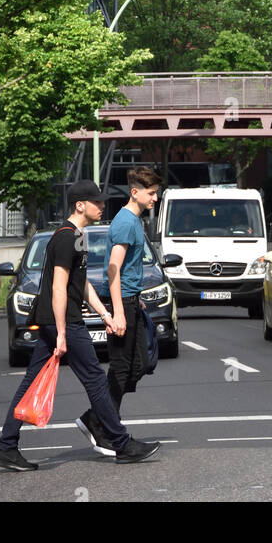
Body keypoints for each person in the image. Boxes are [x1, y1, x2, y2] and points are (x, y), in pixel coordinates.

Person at [0, 181, 160, 470]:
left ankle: (6, 447)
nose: (102, 206)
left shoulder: (77, 236)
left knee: (31, 383)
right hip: (63, 320)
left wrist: (105, 314)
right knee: (95, 379)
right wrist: (62, 332)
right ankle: (121, 444)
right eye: (97, 202)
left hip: (58, 320)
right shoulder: (66, 238)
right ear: (80, 205)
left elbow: (80, 285)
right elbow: (58, 288)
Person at [77, 167, 161, 446]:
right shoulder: (125, 223)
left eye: (156, 193)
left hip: (129, 298)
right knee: (123, 367)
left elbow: (126, 270)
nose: (155, 199)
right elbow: (113, 269)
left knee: (139, 364)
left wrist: (134, 299)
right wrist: (119, 310)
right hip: (121, 301)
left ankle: (96, 418)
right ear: (134, 192)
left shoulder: (133, 220)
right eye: (151, 193)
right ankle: (103, 427)